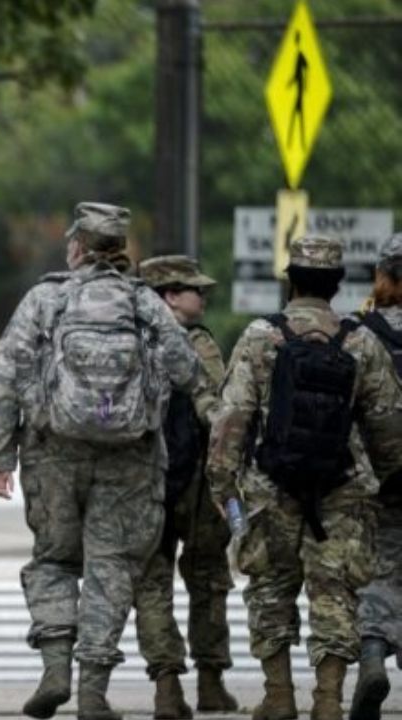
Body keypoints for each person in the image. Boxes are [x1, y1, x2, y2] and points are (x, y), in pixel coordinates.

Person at [0, 202, 197, 720]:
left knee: (53, 559)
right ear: (123, 250)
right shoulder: (144, 303)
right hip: (131, 459)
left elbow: (6, 374)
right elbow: (186, 370)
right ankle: (93, 692)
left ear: (75, 247)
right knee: (111, 567)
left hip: (53, 454)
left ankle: (54, 669)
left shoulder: (46, 299)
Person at [207, 235, 402, 720]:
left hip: (269, 486)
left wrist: (222, 483)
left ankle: (277, 697)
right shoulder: (361, 339)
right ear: (337, 285)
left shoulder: (260, 336)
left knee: (269, 587)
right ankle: (329, 701)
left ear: (290, 280)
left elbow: (232, 418)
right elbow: (387, 425)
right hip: (341, 488)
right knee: (335, 592)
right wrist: (388, 480)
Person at [133, 255, 237, 718]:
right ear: (170, 295)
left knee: (152, 584)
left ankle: (167, 687)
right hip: (195, 481)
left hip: (141, 481)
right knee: (208, 579)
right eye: (196, 289)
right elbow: (219, 413)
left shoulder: (126, 340)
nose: (204, 296)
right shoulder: (198, 343)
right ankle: (211, 683)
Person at [350, 233, 402, 720]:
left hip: (375, 475)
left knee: (378, 569)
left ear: (383, 276)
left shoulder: (359, 333)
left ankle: (371, 654)